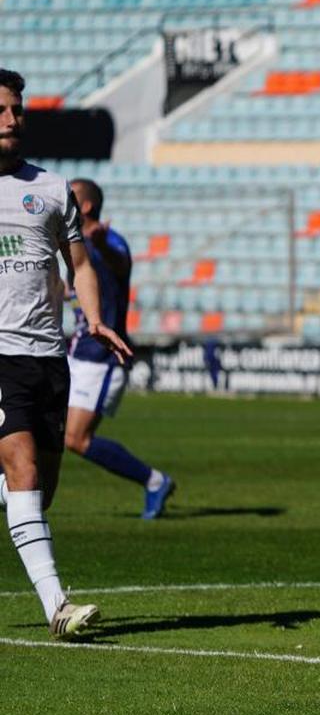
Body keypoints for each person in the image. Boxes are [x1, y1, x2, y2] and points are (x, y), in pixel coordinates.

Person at [0, 68, 132, 638]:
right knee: (23, 468)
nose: (12, 120)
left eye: (18, 110)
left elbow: (78, 265)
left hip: (50, 358)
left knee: (37, 489)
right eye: (3, 109)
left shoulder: (52, 191)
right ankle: (58, 607)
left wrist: (95, 318)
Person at [62, 179, 175, 519]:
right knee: (35, 422)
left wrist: (102, 246)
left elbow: (121, 266)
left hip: (101, 356)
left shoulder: (109, 240)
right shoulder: (75, 244)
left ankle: (154, 481)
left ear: (85, 207)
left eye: (71, 196)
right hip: (75, 351)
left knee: (76, 439)